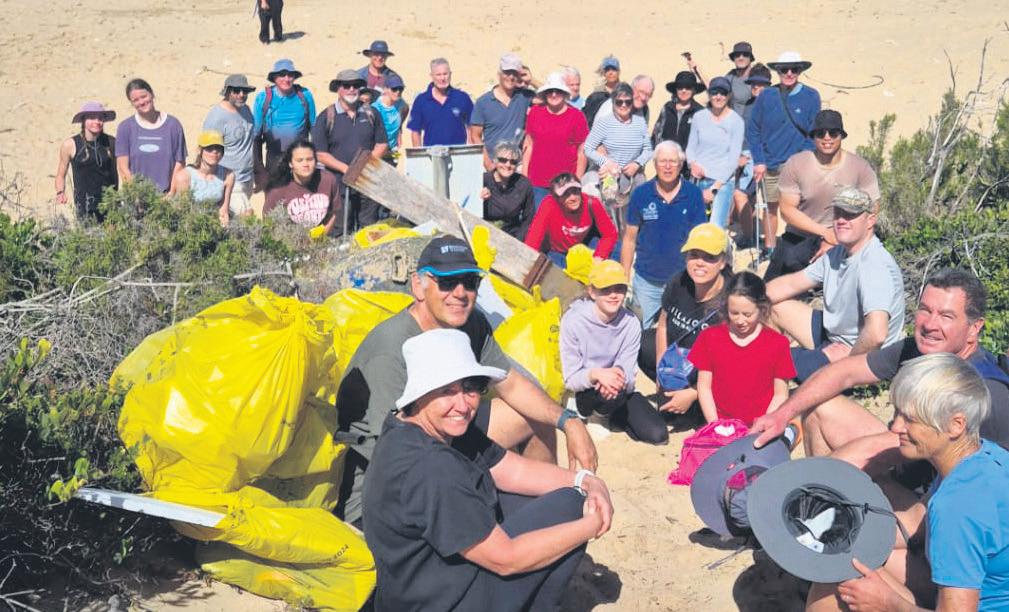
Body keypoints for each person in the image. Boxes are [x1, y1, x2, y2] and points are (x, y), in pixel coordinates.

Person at [335, 236, 599, 526]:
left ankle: (543, 518)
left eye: (470, 282)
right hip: (385, 487)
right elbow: (393, 454)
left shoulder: (469, 324)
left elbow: (511, 383)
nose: (460, 293)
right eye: (447, 282)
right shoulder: (391, 349)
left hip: (442, 437)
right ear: (418, 286)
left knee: (536, 418)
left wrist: (569, 421)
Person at [362, 328, 612, 612]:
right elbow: (506, 560)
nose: (463, 404)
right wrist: (589, 525)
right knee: (570, 506)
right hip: (441, 602)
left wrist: (587, 480)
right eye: (447, 390)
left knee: (565, 494)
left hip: (419, 584)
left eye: (470, 388)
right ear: (420, 394)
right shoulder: (430, 466)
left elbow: (512, 470)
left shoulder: (415, 426)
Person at [807, 353, 1009, 612]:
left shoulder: (957, 507)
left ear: (955, 425)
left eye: (910, 419)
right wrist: (838, 534)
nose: (895, 427)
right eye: (898, 413)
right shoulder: (985, 457)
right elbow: (914, 521)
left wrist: (887, 602)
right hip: (981, 590)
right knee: (854, 560)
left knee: (832, 591)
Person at [751, 268, 1009, 463]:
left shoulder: (982, 390)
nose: (930, 324)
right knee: (822, 405)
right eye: (925, 310)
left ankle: (822, 502)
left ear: (974, 328)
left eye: (946, 316)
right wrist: (782, 415)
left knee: (849, 469)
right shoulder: (915, 349)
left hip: (936, 493)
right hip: (909, 459)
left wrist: (819, 477)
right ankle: (824, 501)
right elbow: (844, 372)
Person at [766, 187, 904, 382]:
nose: (841, 220)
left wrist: (847, 362)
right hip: (835, 336)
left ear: (870, 220)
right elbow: (790, 284)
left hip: (862, 357)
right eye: (838, 213)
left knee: (772, 363)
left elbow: (876, 334)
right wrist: (744, 301)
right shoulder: (837, 254)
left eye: (850, 215)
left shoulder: (874, 266)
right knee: (773, 306)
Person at [764, 110, 881, 280]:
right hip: (801, 237)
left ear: (841, 135)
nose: (827, 138)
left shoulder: (860, 167)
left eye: (833, 133)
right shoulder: (796, 164)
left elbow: (873, 209)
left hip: (846, 239)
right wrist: (824, 233)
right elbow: (787, 210)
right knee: (767, 292)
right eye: (821, 133)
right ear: (813, 137)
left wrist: (839, 239)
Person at [561, 261, 668, 445]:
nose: (613, 295)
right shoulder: (573, 321)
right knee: (595, 394)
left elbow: (628, 371)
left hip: (617, 387)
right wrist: (598, 375)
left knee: (658, 434)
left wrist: (615, 377)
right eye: (605, 289)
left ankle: (610, 415)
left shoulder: (631, 323)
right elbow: (570, 377)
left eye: (619, 289)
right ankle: (595, 416)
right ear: (592, 291)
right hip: (586, 387)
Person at [639, 223, 731, 417]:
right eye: (694, 255)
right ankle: (678, 398)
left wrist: (693, 393)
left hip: (715, 373)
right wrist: (661, 370)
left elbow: (736, 363)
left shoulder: (733, 298)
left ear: (723, 262)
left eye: (709, 258)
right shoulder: (678, 282)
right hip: (681, 361)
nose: (700, 263)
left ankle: (696, 403)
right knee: (643, 342)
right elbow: (663, 325)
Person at [689, 272, 795, 426]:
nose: (740, 320)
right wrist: (715, 424)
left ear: (761, 308)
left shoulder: (777, 344)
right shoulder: (710, 337)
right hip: (719, 425)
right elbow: (704, 387)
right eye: (734, 313)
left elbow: (780, 394)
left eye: (747, 314)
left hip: (760, 426)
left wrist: (762, 425)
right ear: (726, 307)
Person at [620, 140, 706, 328]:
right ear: (654, 164)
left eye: (673, 162)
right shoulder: (641, 194)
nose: (667, 167)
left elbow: (700, 240)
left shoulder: (693, 195)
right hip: (646, 281)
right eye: (662, 161)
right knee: (640, 332)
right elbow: (629, 239)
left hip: (683, 282)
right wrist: (624, 276)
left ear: (681, 164)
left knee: (680, 333)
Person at [746, 51, 821, 255]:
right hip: (770, 164)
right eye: (784, 70)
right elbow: (754, 129)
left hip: (798, 167)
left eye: (794, 69)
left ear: (800, 71)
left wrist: (800, 159)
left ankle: (801, 247)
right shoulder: (767, 95)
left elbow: (814, 132)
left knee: (799, 209)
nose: (789, 73)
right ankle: (770, 248)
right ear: (777, 72)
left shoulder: (811, 96)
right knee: (770, 206)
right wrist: (759, 160)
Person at [312, 69, 388, 234]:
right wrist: (346, 169)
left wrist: (364, 166)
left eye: (356, 85)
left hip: (368, 182)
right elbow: (320, 153)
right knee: (339, 229)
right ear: (338, 89)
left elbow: (382, 144)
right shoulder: (326, 117)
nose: (352, 89)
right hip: (338, 184)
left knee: (369, 227)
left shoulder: (371, 113)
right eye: (347, 86)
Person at [582, 83, 653, 228]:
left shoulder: (640, 122)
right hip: (609, 176)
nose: (624, 105)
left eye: (627, 101)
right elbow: (588, 148)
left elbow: (648, 150)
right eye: (619, 102)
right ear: (613, 102)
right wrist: (605, 163)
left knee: (631, 221)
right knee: (609, 220)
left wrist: (636, 164)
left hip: (631, 176)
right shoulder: (604, 122)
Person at [685, 76, 745, 228]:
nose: (718, 97)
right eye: (714, 92)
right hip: (699, 179)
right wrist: (692, 164)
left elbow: (733, 160)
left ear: (729, 95)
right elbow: (691, 147)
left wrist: (714, 188)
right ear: (709, 94)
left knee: (716, 228)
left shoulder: (736, 121)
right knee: (695, 226)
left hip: (721, 182)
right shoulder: (699, 117)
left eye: (723, 93)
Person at [523, 173, 618, 267]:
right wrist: (527, 262)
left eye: (575, 191)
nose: (573, 197)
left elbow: (610, 233)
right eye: (566, 194)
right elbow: (534, 238)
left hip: (583, 245)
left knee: (617, 249)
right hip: (557, 251)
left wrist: (599, 256)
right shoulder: (549, 205)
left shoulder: (592, 203)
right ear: (557, 197)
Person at [522, 73, 589, 206]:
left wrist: (577, 180)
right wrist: (524, 177)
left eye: (558, 91)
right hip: (537, 181)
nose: (553, 95)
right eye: (550, 91)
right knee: (539, 220)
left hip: (566, 182)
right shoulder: (535, 113)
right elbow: (529, 144)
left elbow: (582, 151)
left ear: (564, 93)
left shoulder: (576, 116)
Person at [251, 59, 316, 187]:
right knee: (275, 199)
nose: (286, 79)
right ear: (274, 78)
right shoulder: (263, 98)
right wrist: (259, 169)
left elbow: (314, 128)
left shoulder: (305, 95)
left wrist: (315, 160)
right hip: (274, 157)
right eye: (282, 75)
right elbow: (256, 136)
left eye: (290, 75)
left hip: (301, 157)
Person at [115, 79, 187, 193]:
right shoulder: (125, 128)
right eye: (135, 100)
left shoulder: (173, 125)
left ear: (152, 94)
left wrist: (171, 193)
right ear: (131, 103)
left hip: (167, 196)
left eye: (144, 96)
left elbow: (180, 163)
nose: (141, 102)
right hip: (136, 198)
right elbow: (123, 168)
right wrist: (136, 195)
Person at [203, 74, 257, 219]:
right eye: (236, 91)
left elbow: (250, 143)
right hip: (228, 179)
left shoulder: (246, 110)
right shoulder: (216, 117)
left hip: (247, 177)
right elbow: (206, 151)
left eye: (244, 91)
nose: (241, 95)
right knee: (247, 217)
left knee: (233, 221)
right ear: (227, 92)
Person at [471, 53, 535, 171]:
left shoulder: (524, 96)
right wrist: (488, 164)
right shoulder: (483, 102)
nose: (511, 77)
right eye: (507, 72)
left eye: (515, 73)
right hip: (493, 164)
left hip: (516, 164)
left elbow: (551, 97)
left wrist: (531, 80)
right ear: (499, 74)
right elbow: (475, 136)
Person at [55, 102, 117, 222]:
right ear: (83, 120)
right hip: (84, 206)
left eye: (100, 118)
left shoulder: (112, 142)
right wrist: (60, 192)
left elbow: (123, 167)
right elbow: (60, 174)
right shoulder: (70, 145)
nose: (97, 122)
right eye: (92, 117)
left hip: (110, 204)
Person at [731, 64, 772, 247]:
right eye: (753, 83)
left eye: (760, 84)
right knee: (752, 198)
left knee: (741, 195)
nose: (756, 87)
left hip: (760, 157)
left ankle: (750, 238)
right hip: (746, 155)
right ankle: (754, 234)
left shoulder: (771, 105)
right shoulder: (750, 104)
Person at [262, 139, 339, 234]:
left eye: (310, 159)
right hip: (289, 243)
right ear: (290, 163)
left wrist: (321, 235)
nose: (305, 164)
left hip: (320, 241)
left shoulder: (328, 180)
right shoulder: (278, 190)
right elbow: (268, 223)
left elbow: (334, 212)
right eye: (299, 160)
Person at [169, 130, 234, 225]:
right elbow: (182, 209)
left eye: (218, 148)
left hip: (214, 223)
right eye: (209, 148)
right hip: (189, 224)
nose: (214, 151)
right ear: (199, 150)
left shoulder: (228, 175)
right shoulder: (184, 177)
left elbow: (223, 210)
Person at [407, 58, 474, 147]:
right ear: (432, 76)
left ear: (450, 74)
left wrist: (469, 151)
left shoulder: (462, 98)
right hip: (431, 155)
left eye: (445, 74)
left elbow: (472, 127)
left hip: (458, 154)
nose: (442, 78)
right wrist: (419, 157)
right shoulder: (421, 101)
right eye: (438, 75)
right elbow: (415, 132)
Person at [480, 142, 534, 239]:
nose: (508, 165)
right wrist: (479, 200)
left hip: (512, 235)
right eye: (503, 160)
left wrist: (518, 241)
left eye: (513, 162)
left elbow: (528, 219)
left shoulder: (524, 184)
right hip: (484, 234)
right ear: (495, 161)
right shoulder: (482, 181)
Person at [651, 71, 705, 151]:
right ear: (676, 89)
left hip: (689, 161)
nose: (684, 90)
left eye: (688, 87)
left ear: (694, 90)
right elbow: (657, 133)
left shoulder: (700, 112)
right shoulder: (667, 108)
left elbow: (704, 140)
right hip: (667, 159)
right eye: (680, 87)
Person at [372, 74, 408, 162]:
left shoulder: (402, 105)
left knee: (393, 172)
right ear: (385, 89)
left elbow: (405, 111)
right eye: (394, 89)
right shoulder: (375, 108)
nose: (398, 92)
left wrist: (399, 131)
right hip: (377, 151)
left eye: (401, 89)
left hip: (393, 151)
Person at [583, 55, 621, 127]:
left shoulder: (624, 92)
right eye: (607, 70)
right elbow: (589, 118)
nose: (610, 73)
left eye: (613, 69)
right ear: (604, 73)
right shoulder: (596, 94)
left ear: (619, 72)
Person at [724, 42, 757, 115]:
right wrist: (697, 70)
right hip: (735, 124)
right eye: (737, 55)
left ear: (750, 58)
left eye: (745, 55)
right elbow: (714, 89)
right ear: (734, 59)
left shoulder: (758, 77)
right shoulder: (730, 77)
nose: (741, 58)